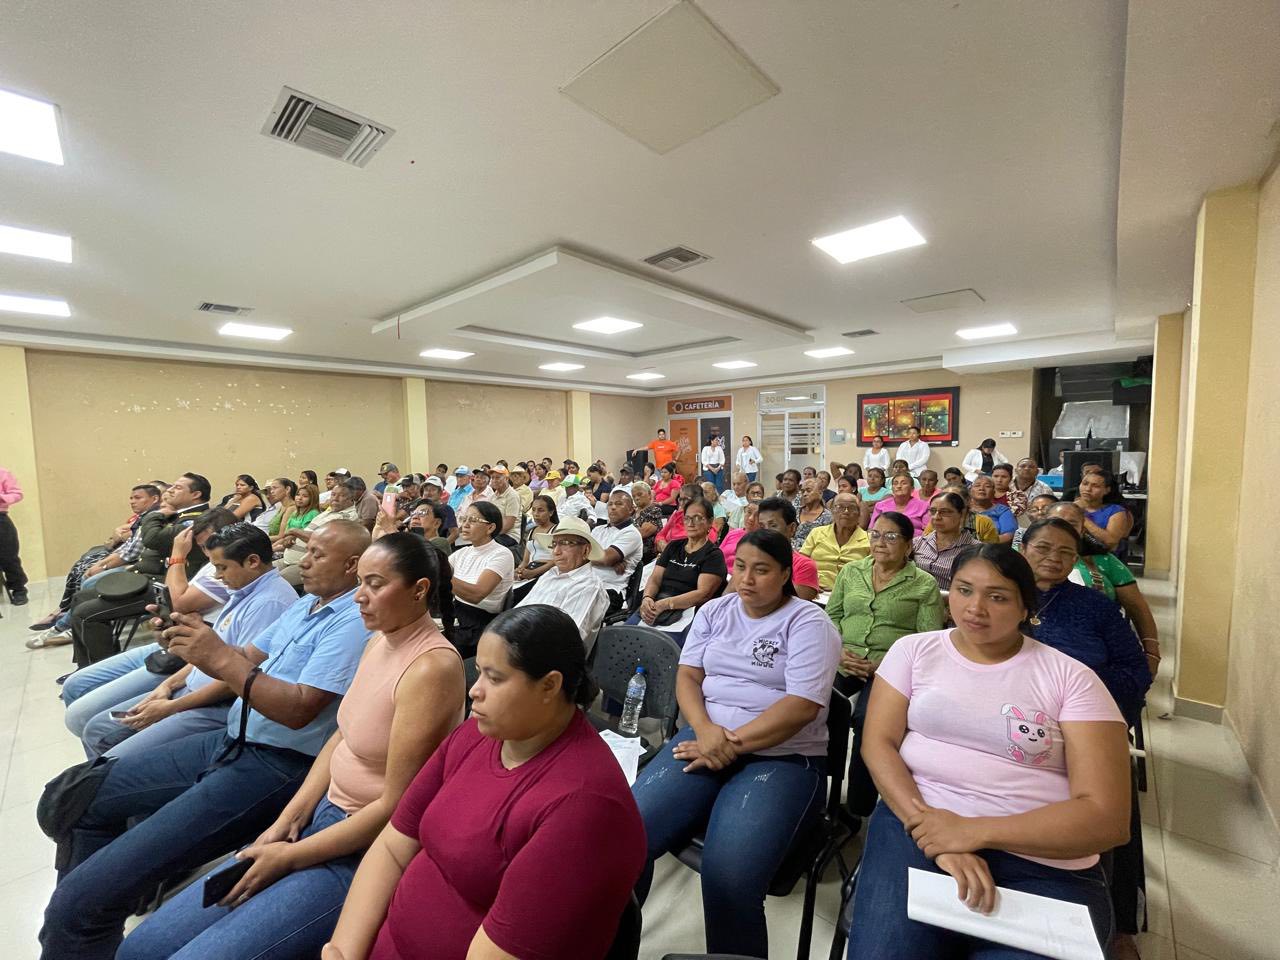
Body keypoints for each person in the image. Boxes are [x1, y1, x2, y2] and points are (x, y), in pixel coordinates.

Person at [116, 533, 465, 960]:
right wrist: (289, 819)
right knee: (143, 946)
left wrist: (293, 855)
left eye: (375, 584)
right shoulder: (378, 640)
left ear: (419, 589)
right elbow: (342, 737)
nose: (359, 596)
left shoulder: (432, 668)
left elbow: (396, 806)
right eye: (360, 582)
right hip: (321, 815)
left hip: (361, 847)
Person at [40, 521, 375, 960]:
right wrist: (194, 643)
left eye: (317, 554)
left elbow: (297, 710)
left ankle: (88, 906)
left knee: (79, 905)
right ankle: (97, 900)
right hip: (232, 738)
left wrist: (216, 658)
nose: (304, 562)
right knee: (78, 795)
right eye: (306, 551)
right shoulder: (306, 605)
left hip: (275, 765)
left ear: (352, 565)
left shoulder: (354, 620)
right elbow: (246, 657)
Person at [845, 544, 1131, 960]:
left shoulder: (1071, 679)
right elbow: (878, 744)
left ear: (1025, 607)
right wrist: (937, 835)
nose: (975, 608)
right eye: (963, 590)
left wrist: (974, 831)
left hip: (1041, 858)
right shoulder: (914, 652)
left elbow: (1107, 818)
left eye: (997, 597)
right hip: (918, 824)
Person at [322, 605, 645, 960]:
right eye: (478, 673)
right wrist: (343, 951)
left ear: (549, 685)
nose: (474, 691)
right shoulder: (477, 734)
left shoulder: (583, 808)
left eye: (495, 678)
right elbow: (393, 847)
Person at [632, 529, 841, 958]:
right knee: (625, 838)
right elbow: (688, 676)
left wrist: (729, 743)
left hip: (782, 757)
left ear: (785, 574)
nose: (746, 579)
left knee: (729, 876)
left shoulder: (808, 623)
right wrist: (704, 730)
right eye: (740, 567)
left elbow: (802, 706)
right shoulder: (716, 611)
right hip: (704, 737)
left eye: (761, 570)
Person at [79, 523, 300, 760]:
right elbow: (211, 653)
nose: (217, 576)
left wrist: (171, 707)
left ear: (252, 561)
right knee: (97, 728)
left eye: (222, 567)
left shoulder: (270, 603)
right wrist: (168, 686)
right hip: (191, 688)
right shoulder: (245, 589)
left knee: (110, 750)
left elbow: (241, 675)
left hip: (214, 704)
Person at [59, 509, 239, 743]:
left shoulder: (231, 571)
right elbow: (174, 600)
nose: (208, 551)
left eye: (211, 544)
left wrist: (177, 555)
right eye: (203, 546)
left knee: (86, 721)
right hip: (172, 642)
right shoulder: (212, 564)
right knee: (75, 685)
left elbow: (179, 601)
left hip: (188, 656)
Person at [1019, 519, 1152, 725]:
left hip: (1085, 710)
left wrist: (1082, 690)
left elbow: (1135, 668)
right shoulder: (1004, 597)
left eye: (1065, 552)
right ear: (1023, 550)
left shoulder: (1096, 604)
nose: (1054, 558)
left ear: (1075, 559)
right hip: (1014, 707)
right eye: (1043, 548)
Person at [1046, 502, 1159, 657]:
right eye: (1057, 521)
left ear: (1082, 530)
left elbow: (1137, 608)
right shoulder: (1027, 558)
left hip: (1099, 648)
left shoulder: (1103, 560)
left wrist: (1152, 653)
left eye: (1072, 524)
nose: (1064, 528)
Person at [628, 498, 727, 646]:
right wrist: (647, 598)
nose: (691, 523)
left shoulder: (713, 555)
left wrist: (666, 604)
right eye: (687, 518)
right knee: (624, 638)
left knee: (659, 648)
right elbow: (655, 578)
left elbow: (703, 594)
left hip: (687, 611)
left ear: (709, 522)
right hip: (657, 603)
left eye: (697, 518)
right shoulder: (673, 546)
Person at [515, 517, 610, 647]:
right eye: (554, 544)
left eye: (565, 543)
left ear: (585, 550)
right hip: (519, 642)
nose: (556, 551)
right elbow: (520, 611)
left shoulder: (588, 586)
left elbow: (565, 640)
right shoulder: (550, 574)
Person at [449, 501, 514, 658]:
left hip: (481, 626)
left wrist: (441, 574)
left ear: (490, 528)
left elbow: (476, 595)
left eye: (472, 520)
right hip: (457, 615)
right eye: (464, 519)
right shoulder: (462, 553)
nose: (465, 525)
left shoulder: (501, 554)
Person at [276, 480, 359, 587]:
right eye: (333, 494)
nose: (335, 498)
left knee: (275, 582)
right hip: (288, 558)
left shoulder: (347, 517)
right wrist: (293, 536)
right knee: (262, 574)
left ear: (351, 499)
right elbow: (307, 532)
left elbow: (322, 541)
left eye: (341, 495)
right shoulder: (329, 512)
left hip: (309, 564)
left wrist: (294, 532)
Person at [739, 497, 820, 600]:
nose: (766, 532)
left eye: (773, 526)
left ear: (792, 529)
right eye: (762, 526)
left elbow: (793, 605)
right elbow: (729, 594)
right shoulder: (749, 559)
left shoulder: (804, 566)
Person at [799, 491, 870, 591]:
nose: (846, 511)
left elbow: (873, 573)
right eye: (840, 507)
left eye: (851, 508)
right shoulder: (817, 533)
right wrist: (808, 584)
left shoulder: (869, 540)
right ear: (832, 511)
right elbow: (801, 561)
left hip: (851, 592)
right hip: (815, 589)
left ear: (859, 514)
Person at [912, 492, 982, 591]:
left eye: (944, 512)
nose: (936, 517)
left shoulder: (976, 550)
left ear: (962, 514)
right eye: (933, 511)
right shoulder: (917, 543)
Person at [590, 490, 643, 612]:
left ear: (631, 510)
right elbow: (578, 554)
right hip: (587, 583)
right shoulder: (598, 530)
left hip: (609, 590)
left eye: (619, 504)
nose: (613, 507)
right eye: (610, 504)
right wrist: (606, 561)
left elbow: (605, 558)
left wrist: (606, 560)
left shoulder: (631, 533)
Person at [1074, 467, 1133, 552]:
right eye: (1085, 484)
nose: (1088, 489)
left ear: (1107, 490)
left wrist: (1081, 517)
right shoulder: (1071, 507)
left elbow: (1110, 541)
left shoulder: (1116, 511)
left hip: (1104, 556)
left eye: (1095, 486)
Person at [656, 485, 719, 552]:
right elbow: (660, 535)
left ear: (697, 500)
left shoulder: (703, 520)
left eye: (685, 499)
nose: (681, 503)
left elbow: (707, 543)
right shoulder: (677, 515)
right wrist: (664, 546)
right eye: (680, 499)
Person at [514, 494, 558, 589]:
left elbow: (556, 560)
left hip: (547, 571)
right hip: (531, 568)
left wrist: (534, 572)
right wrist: (518, 570)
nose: (536, 514)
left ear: (551, 512)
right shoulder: (531, 531)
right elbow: (525, 561)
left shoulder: (556, 531)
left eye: (541, 510)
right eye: (533, 510)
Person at [968, 475, 1017, 543]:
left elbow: (1009, 535)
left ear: (994, 492)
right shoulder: (962, 508)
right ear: (970, 491)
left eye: (987, 486)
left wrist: (981, 545)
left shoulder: (1003, 510)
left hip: (992, 547)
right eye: (977, 485)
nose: (981, 488)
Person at [1008, 456, 1054, 523]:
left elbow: (1050, 511)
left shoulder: (1045, 488)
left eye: (1031, 467)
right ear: (1016, 470)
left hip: (1034, 523)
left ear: (1037, 472)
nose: (1027, 469)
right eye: (1023, 466)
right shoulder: (1006, 484)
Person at [792, 477, 833, 550]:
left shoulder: (828, 517)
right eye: (802, 491)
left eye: (808, 490)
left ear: (820, 493)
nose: (804, 494)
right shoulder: (794, 511)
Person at [718, 500, 759, 571]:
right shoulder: (733, 533)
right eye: (749, 512)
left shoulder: (761, 540)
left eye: (757, 515)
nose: (751, 518)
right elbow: (718, 553)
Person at [630, 481, 665, 564]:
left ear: (649, 494)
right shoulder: (632, 514)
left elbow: (642, 533)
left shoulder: (654, 511)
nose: (636, 498)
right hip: (630, 551)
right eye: (634, 496)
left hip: (645, 555)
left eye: (639, 494)